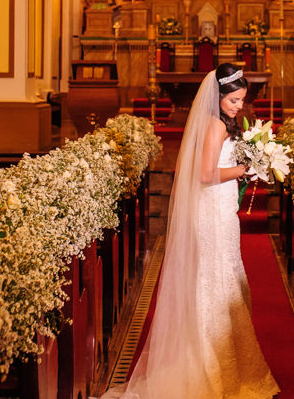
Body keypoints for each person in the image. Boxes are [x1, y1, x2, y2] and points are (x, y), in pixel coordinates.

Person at [103, 64, 279, 399]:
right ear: (219, 95)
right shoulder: (214, 126)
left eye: (242, 100)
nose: (239, 105)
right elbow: (202, 175)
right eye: (234, 100)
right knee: (216, 279)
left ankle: (222, 359)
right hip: (211, 211)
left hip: (219, 208)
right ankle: (208, 365)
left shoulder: (219, 124)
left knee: (223, 277)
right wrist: (247, 168)